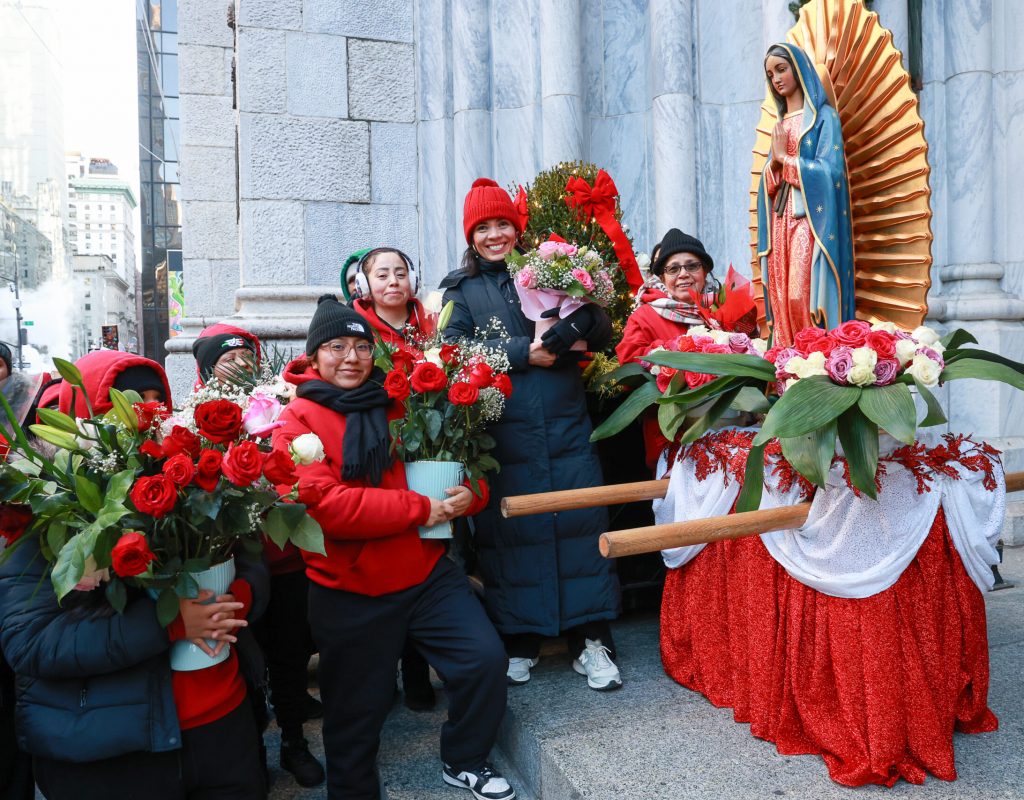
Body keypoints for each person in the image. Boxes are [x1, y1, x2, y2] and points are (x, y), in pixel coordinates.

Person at [271, 295, 515, 800]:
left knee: (484, 660)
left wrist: (473, 495)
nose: (350, 357)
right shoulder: (295, 422)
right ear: (314, 357)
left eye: (360, 346)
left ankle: (464, 758)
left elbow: (452, 467)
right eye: (336, 347)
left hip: (426, 574)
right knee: (354, 713)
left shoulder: (403, 401)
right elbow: (328, 510)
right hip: (349, 588)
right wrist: (418, 509)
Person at [1, 353, 269, 800]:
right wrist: (173, 623)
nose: (150, 411)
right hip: (116, 750)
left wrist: (234, 596)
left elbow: (249, 558)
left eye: (157, 398)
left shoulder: (193, 480)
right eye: (129, 401)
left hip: (223, 724)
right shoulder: (45, 512)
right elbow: (32, 642)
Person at [440, 178, 621, 691]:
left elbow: (602, 327)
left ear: (517, 229)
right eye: (483, 227)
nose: (495, 235)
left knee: (581, 522)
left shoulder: (548, 268)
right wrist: (524, 353)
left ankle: (594, 639)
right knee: (512, 534)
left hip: (566, 422)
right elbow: (452, 354)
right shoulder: (462, 289)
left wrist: (580, 321)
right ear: (470, 235)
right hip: (506, 432)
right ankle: (520, 638)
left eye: (503, 224)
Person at [190, 323, 326, 787]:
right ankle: (250, 751)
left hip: (284, 560)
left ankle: (293, 743)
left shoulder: (279, 404)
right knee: (245, 664)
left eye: (246, 356)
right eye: (228, 359)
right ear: (207, 368)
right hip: (232, 569)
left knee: (289, 656)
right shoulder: (192, 420)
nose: (240, 365)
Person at [350, 246, 438, 711]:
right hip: (382, 457)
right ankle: (385, 672)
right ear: (364, 285)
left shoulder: (433, 324)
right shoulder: (356, 332)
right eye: (381, 274)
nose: (392, 282)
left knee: (432, 558)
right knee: (391, 563)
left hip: (432, 454)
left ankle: (419, 666)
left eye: (400, 272)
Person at [616, 229, 756, 470]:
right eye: (673, 269)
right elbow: (629, 368)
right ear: (662, 278)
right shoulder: (645, 316)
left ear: (705, 272)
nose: (683, 274)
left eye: (692, 266)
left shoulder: (724, 311)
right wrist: (680, 350)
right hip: (676, 442)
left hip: (734, 432)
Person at [756, 43, 855, 347]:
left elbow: (831, 172)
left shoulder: (824, 118)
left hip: (809, 221)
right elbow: (770, 184)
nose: (776, 79)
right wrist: (772, 166)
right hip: (780, 220)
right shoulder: (780, 124)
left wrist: (785, 161)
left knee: (801, 293)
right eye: (771, 74)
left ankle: (814, 356)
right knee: (782, 296)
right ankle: (788, 358)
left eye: (782, 69)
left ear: (799, 69)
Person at [191, 323, 261, 388]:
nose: (243, 363)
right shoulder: (203, 400)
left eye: (247, 356)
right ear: (209, 373)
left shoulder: (269, 395)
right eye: (230, 359)